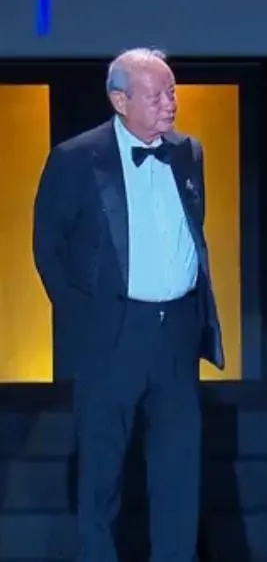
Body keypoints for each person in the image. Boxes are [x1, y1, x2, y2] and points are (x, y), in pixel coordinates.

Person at [32, 48, 224, 562]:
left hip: (176, 333)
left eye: (172, 92)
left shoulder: (188, 152)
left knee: (178, 472)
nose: (170, 104)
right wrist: (85, 322)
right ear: (120, 101)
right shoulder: (77, 158)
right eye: (156, 96)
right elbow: (48, 248)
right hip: (112, 335)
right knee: (102, 473)